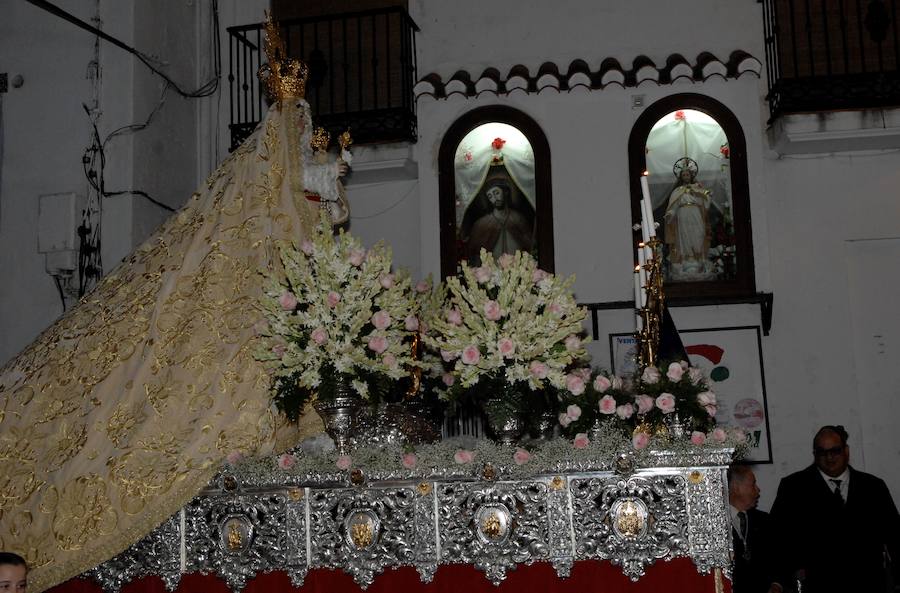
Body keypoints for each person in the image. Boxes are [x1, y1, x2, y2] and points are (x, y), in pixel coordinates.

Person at [770, 425, 900, 592]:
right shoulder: (794, 488)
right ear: (814, 455)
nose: (829, 458)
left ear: (846, 451)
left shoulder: (873, 487)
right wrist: (777, 581)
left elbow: (894, 536)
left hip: (869, 583)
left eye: (835, 451)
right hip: (818, 584)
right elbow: (778, 539)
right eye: (822, 452)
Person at [728, 465, 783, 593]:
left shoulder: (765, 521)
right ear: (736, 488)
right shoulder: (717, 524)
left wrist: (777, 584)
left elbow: (780, 558)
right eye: (753, 484)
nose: (758, 490)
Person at [664, 158, 713, 279]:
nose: (686, 176)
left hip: (695, 213)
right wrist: (670, 214)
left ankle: (699, 257)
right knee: (684, 235)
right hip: (683, 214)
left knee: (698, 234)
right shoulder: (677, 191)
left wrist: (704, 194)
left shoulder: (698, 188)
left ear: (691, 175)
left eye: (688, 174)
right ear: (681, 177)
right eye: (684, 174)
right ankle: (688, 258)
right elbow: (673, 206)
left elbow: (705, 202)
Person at [465, 181, 534, 264]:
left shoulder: (518, 219)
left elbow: (531, 247)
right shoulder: (481, 224)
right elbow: (474, 254)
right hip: (491, 273)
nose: (494, 198)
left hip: (518, 271)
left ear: (506, 192)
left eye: (496, 193)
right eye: (490, 196)